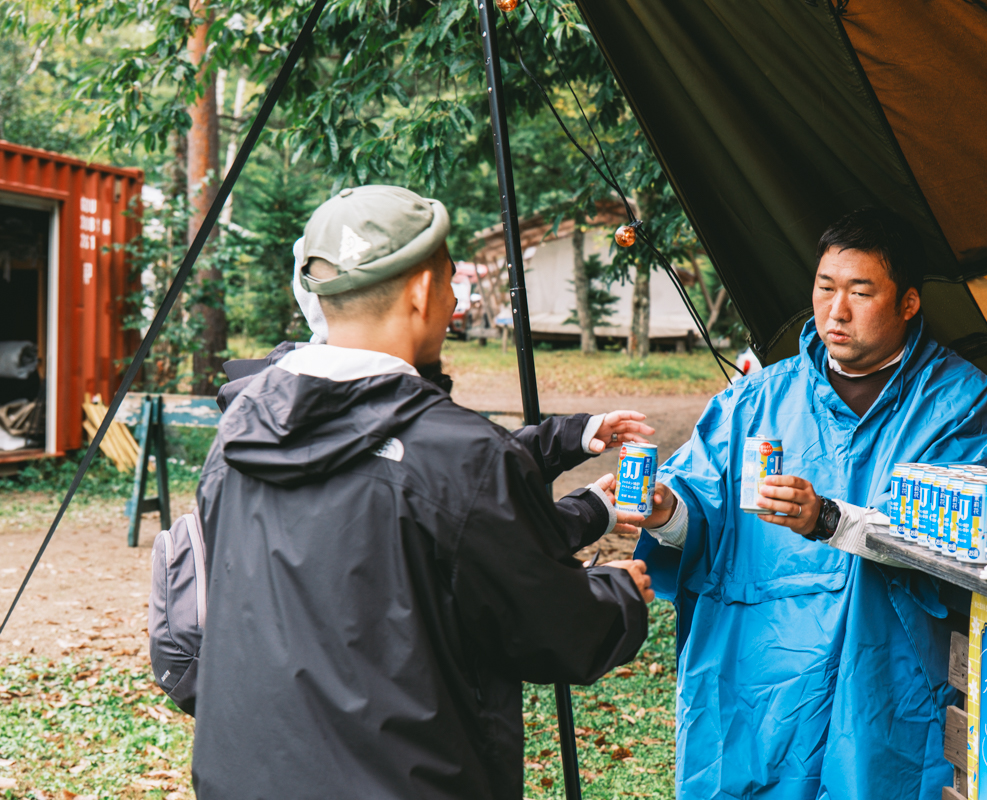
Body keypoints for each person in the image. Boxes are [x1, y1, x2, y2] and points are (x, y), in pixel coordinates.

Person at [191, 185, 655, 799]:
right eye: (450, 278)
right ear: (421, 291)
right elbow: (551, 630)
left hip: (243, 778)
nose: (454, 298)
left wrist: (572, 447)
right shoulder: (458, 452)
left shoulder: (238, 431)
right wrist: (620, 595)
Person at [635, 208, 987, 799]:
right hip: (758, 674)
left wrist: (826, 518)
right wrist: (666, 511)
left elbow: (940, 534)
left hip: (880, 674)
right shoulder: (753, 400)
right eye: (825, 288)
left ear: (908, 302)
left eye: (861, 292)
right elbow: (698, 510)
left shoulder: (957, 402)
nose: (837, 311)